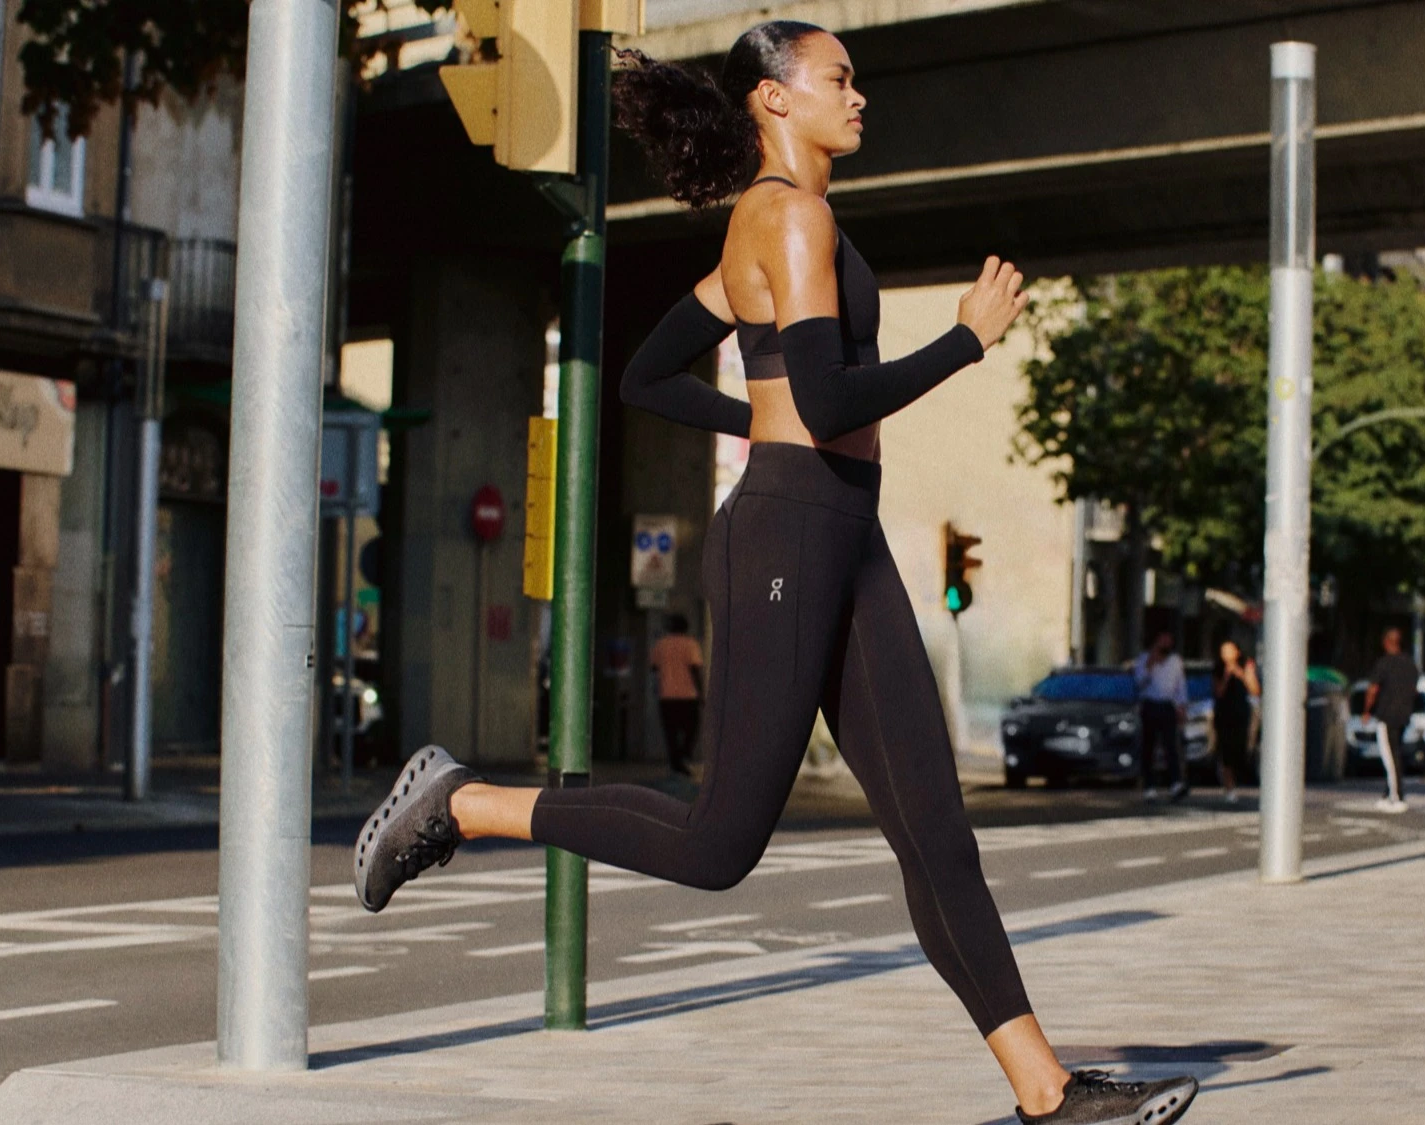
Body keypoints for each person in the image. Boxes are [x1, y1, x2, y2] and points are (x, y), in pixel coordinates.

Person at [349, 23, 1196, 1125]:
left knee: (935, 829)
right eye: (840, 79)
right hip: (790, 536)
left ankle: (1047, 1094)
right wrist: (964, 343)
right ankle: (464, 802)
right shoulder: (789, 217)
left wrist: (766, 418)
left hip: (844, 532)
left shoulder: (773, 227)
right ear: (773, 100)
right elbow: (832, 400)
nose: (860, 99)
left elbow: (650, 378)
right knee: (718, 845)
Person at [1133, 628, 1190, 803]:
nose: (1166, 643)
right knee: (1148, 747)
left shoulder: (1175, 661)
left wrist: (1181, 706)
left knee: (1170, 746)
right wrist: (1151, 663)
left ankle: (1175, 784)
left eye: (1168, 640)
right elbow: (1139, 682)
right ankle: (1149, 786)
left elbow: (1180, 685)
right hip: (1150, 704)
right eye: (1162, 639)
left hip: (1167, 705)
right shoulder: (1144, 659)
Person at [1362, 627, 1416, 813]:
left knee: (1390, 757)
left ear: (1387, 642)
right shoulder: (1410, 665)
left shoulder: (1384, 664)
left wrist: (1367, 711)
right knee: (1395, 754)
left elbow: (1373, 689)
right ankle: (1387, 794)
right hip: (1403, 716)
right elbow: (1414, 690)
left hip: (1387, 716)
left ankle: (1397, 796)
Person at [649, 614, 704, 777]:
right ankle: (683, 756)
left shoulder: (661, 645)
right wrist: (701, 693)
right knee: (691, 729)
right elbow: (695, 670)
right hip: (688, 695)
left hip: (666, 695)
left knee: (670, 732)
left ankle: (676, 763)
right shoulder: (691, 644)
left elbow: (653, 668)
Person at [1211, 639, 1257, 804]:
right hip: (1224, 713)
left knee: (1240, 748)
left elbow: (1255, 689)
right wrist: (1226, 675)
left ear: (1237, 652)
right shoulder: (1218, 668)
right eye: (1224, 651)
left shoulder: (1246, 665)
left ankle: (1237, 779)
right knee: (1225, 751)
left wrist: (1240, 673)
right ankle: (1229, 786)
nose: (1227, 655)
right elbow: (1218, 691)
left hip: (1241, 712)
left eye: (1230, 650)